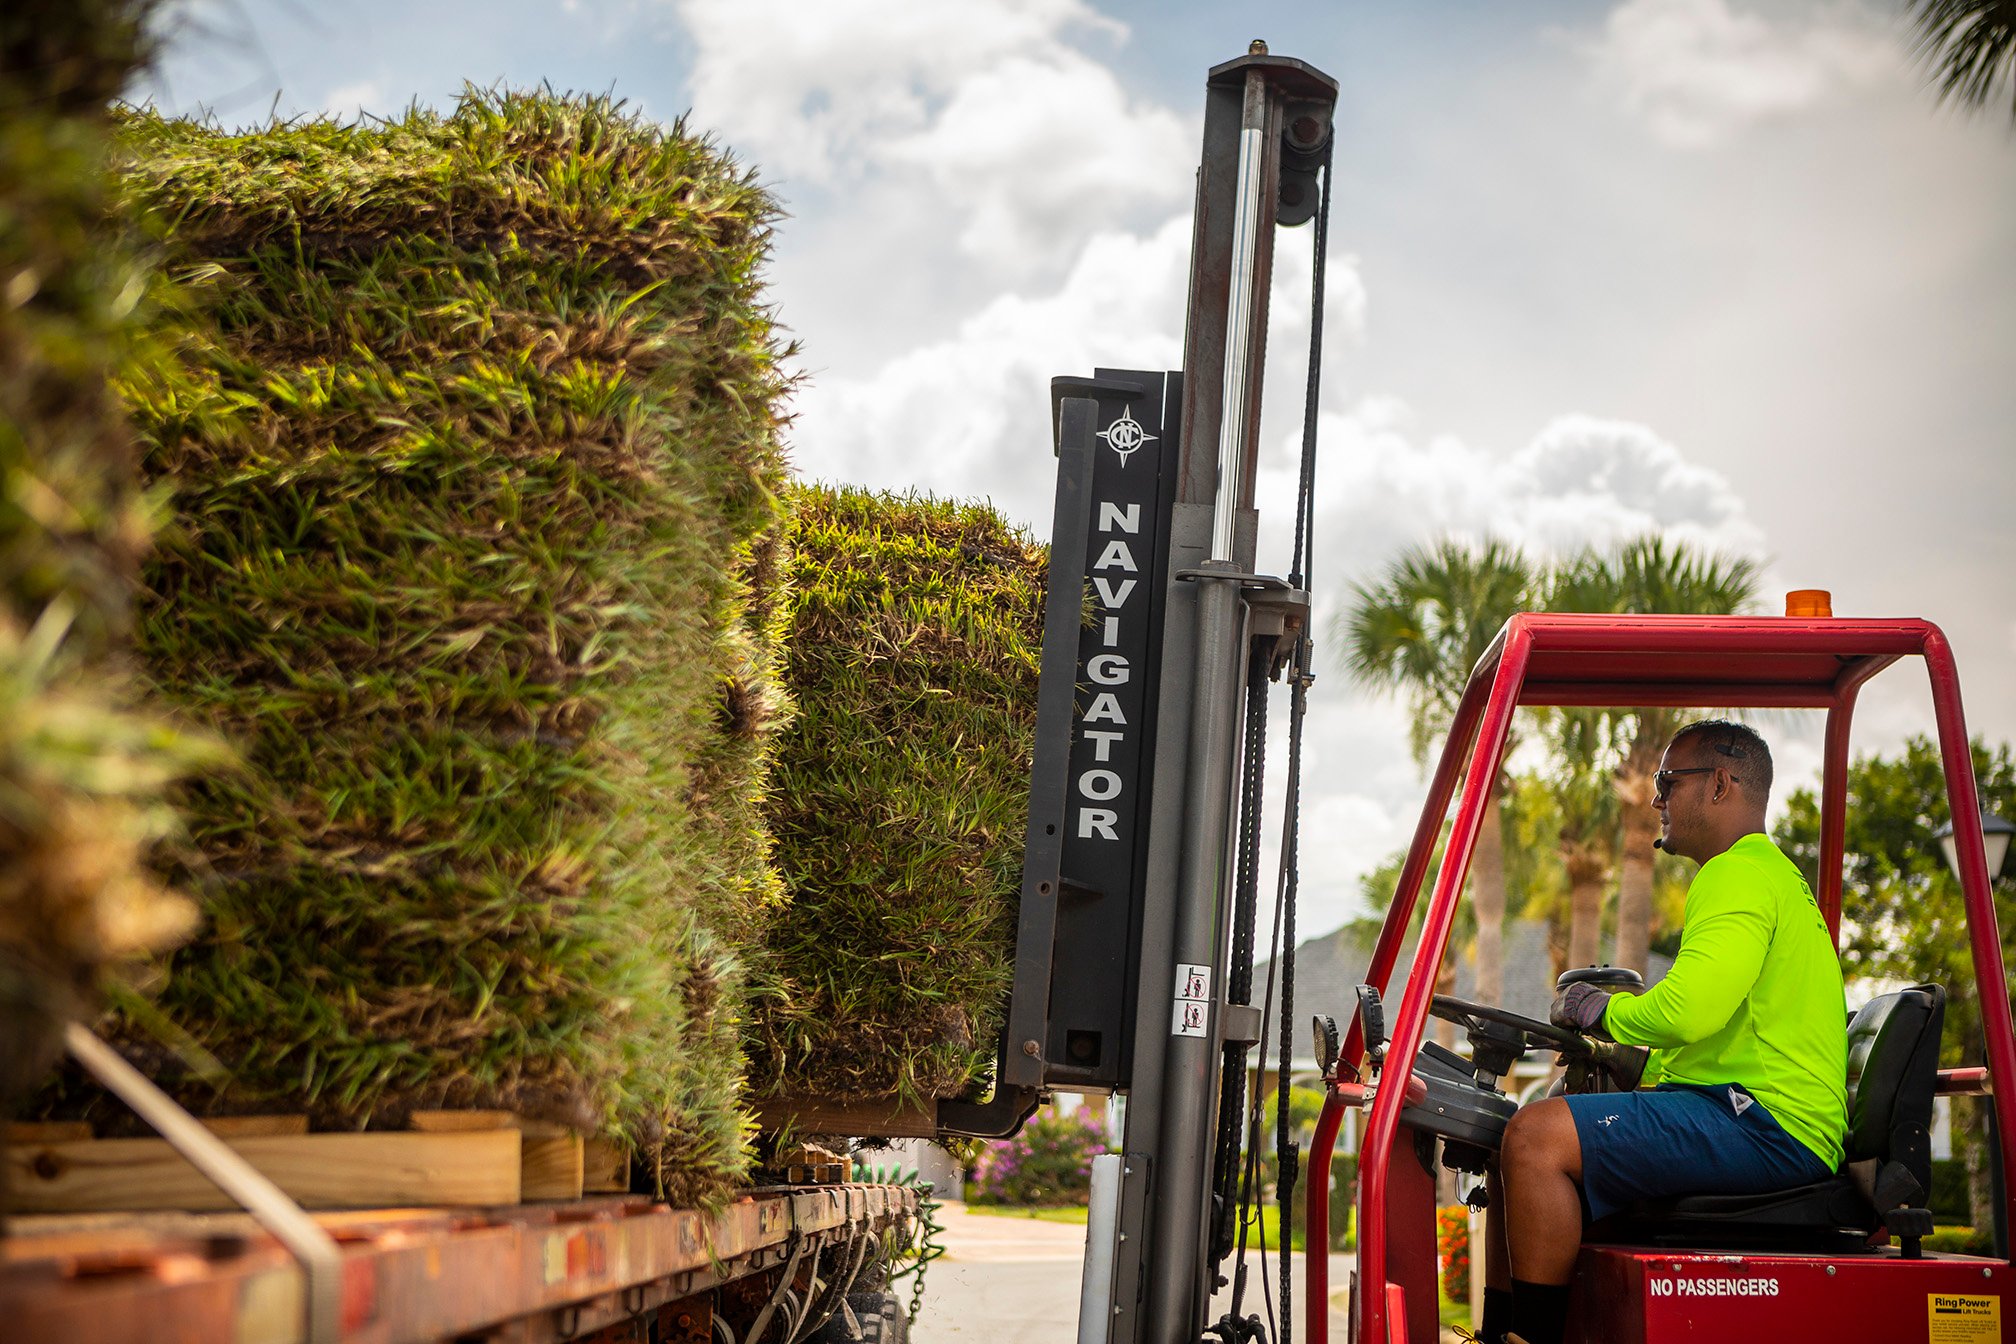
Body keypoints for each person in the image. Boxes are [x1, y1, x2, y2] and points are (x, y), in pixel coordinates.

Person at [1475, 720, 1847, 1344]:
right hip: (1750, 1109)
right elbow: (1727, 1033)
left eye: (1668, 782)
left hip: (1768, 1123)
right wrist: (1638, 1066)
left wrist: (1603, 1013)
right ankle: (1496, 1332)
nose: (1656, 801)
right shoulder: (1768, 875)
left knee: (1535, 1139)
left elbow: (1685, 1013)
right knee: (1510, 1142)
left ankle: (1528, 1339)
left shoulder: (1737, 875)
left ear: (1722, 785)